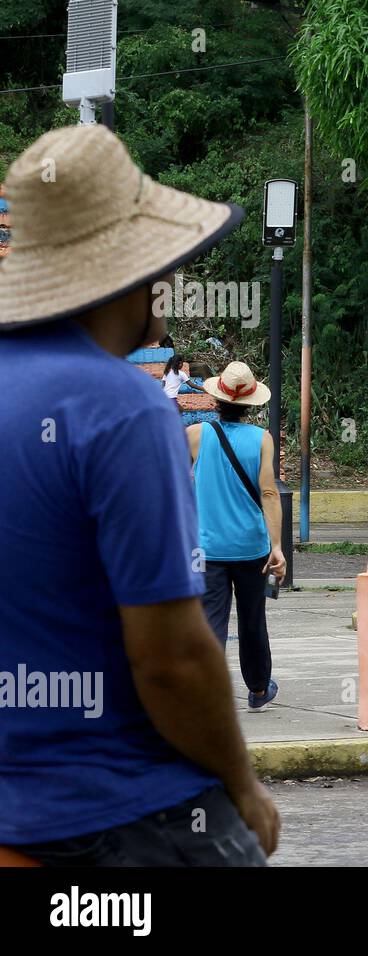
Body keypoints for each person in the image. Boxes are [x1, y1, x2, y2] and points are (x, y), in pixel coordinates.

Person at [0, 124, 278, 865]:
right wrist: (243, 786)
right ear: (133, 273)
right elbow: (172, 659)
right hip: (122, 815)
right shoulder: (121, 406)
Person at [185, 362, 287, 711]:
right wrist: (277, 547)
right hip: (251, 549)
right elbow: (269, 493)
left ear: (216, 400)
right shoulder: (261, 439)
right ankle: (259, 689)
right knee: (252, 620)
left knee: (210, 622)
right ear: (249, 405)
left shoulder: (196, 435)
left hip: (208, 549)